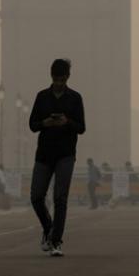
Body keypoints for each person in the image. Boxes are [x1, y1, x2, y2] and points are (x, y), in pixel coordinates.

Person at [28, 58, 86, 257]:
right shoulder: (42, 97)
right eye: (55, 79)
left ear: (67, 77)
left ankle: (56, 241)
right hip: (44, 153)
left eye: (61, 79)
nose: (58, 83)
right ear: (51, 77)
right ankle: (48, 227)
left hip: (66, 154)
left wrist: (67, 122)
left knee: (60, 198)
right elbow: (32, 125)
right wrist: (45, 123)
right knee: (36, 196)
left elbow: (82, 128)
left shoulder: (75, 98)